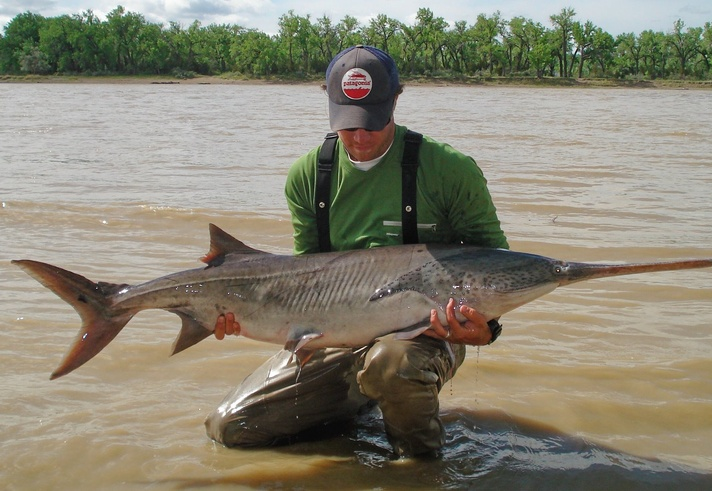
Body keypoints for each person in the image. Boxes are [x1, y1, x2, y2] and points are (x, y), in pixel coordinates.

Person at [205, 45, 509, 457]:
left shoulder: (451, 170)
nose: (361, 137)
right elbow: (303, 281)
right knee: (231, 427)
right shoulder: (308, 175)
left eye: (372, 122)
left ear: (396, 100)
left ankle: (419, 469)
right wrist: (241, 313)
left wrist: (486, 329)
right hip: (336, 331)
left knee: (393, 364)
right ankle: (355, 409)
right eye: (348, 124)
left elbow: (496, 268)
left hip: (425, 335)